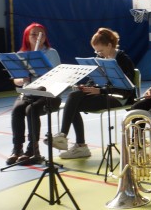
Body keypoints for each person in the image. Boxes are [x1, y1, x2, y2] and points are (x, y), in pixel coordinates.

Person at [48, 28, 137, 159]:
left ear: (109, 45)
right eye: (96, 51)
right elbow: (94, 80)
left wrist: (100, 90)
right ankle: (65, 137)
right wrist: (86, 87)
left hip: (119, 97)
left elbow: (126, 89)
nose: (98, 54)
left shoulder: (123, 59)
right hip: (103, 94)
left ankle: (78, 144)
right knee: (73, 96)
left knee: (73, 105)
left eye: (100, 50)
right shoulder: (100, 58)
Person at [7, 23, 62, 165]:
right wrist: (23, 79)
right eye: (34, 34)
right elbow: (16, 81)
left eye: (41, 34)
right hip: (28, 92)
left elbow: (58, 76)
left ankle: (33, 150)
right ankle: (17, 149)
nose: (38, 37)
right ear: (27, 36)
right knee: (17, 109)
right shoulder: (21, 55)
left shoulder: (51, 52)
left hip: (48, 94)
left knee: (31, 110)